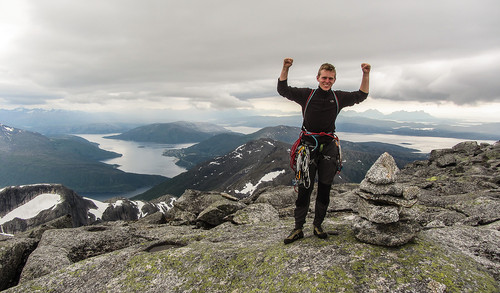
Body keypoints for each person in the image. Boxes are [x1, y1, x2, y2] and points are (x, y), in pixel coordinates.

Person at [277, 58, 371, 244]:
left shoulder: (338, 97)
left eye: (331, 78)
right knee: (305, 188)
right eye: (324, 78)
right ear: (318, 78)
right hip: (308, 147)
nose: (327, 81)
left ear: (334, 80)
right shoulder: (307, 95)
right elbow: (283, 90)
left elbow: (362, 95)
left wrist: (366, 74)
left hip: (328, 146)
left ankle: (318, 225)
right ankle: (298, 228)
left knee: (325, 188)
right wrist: (285, 68)